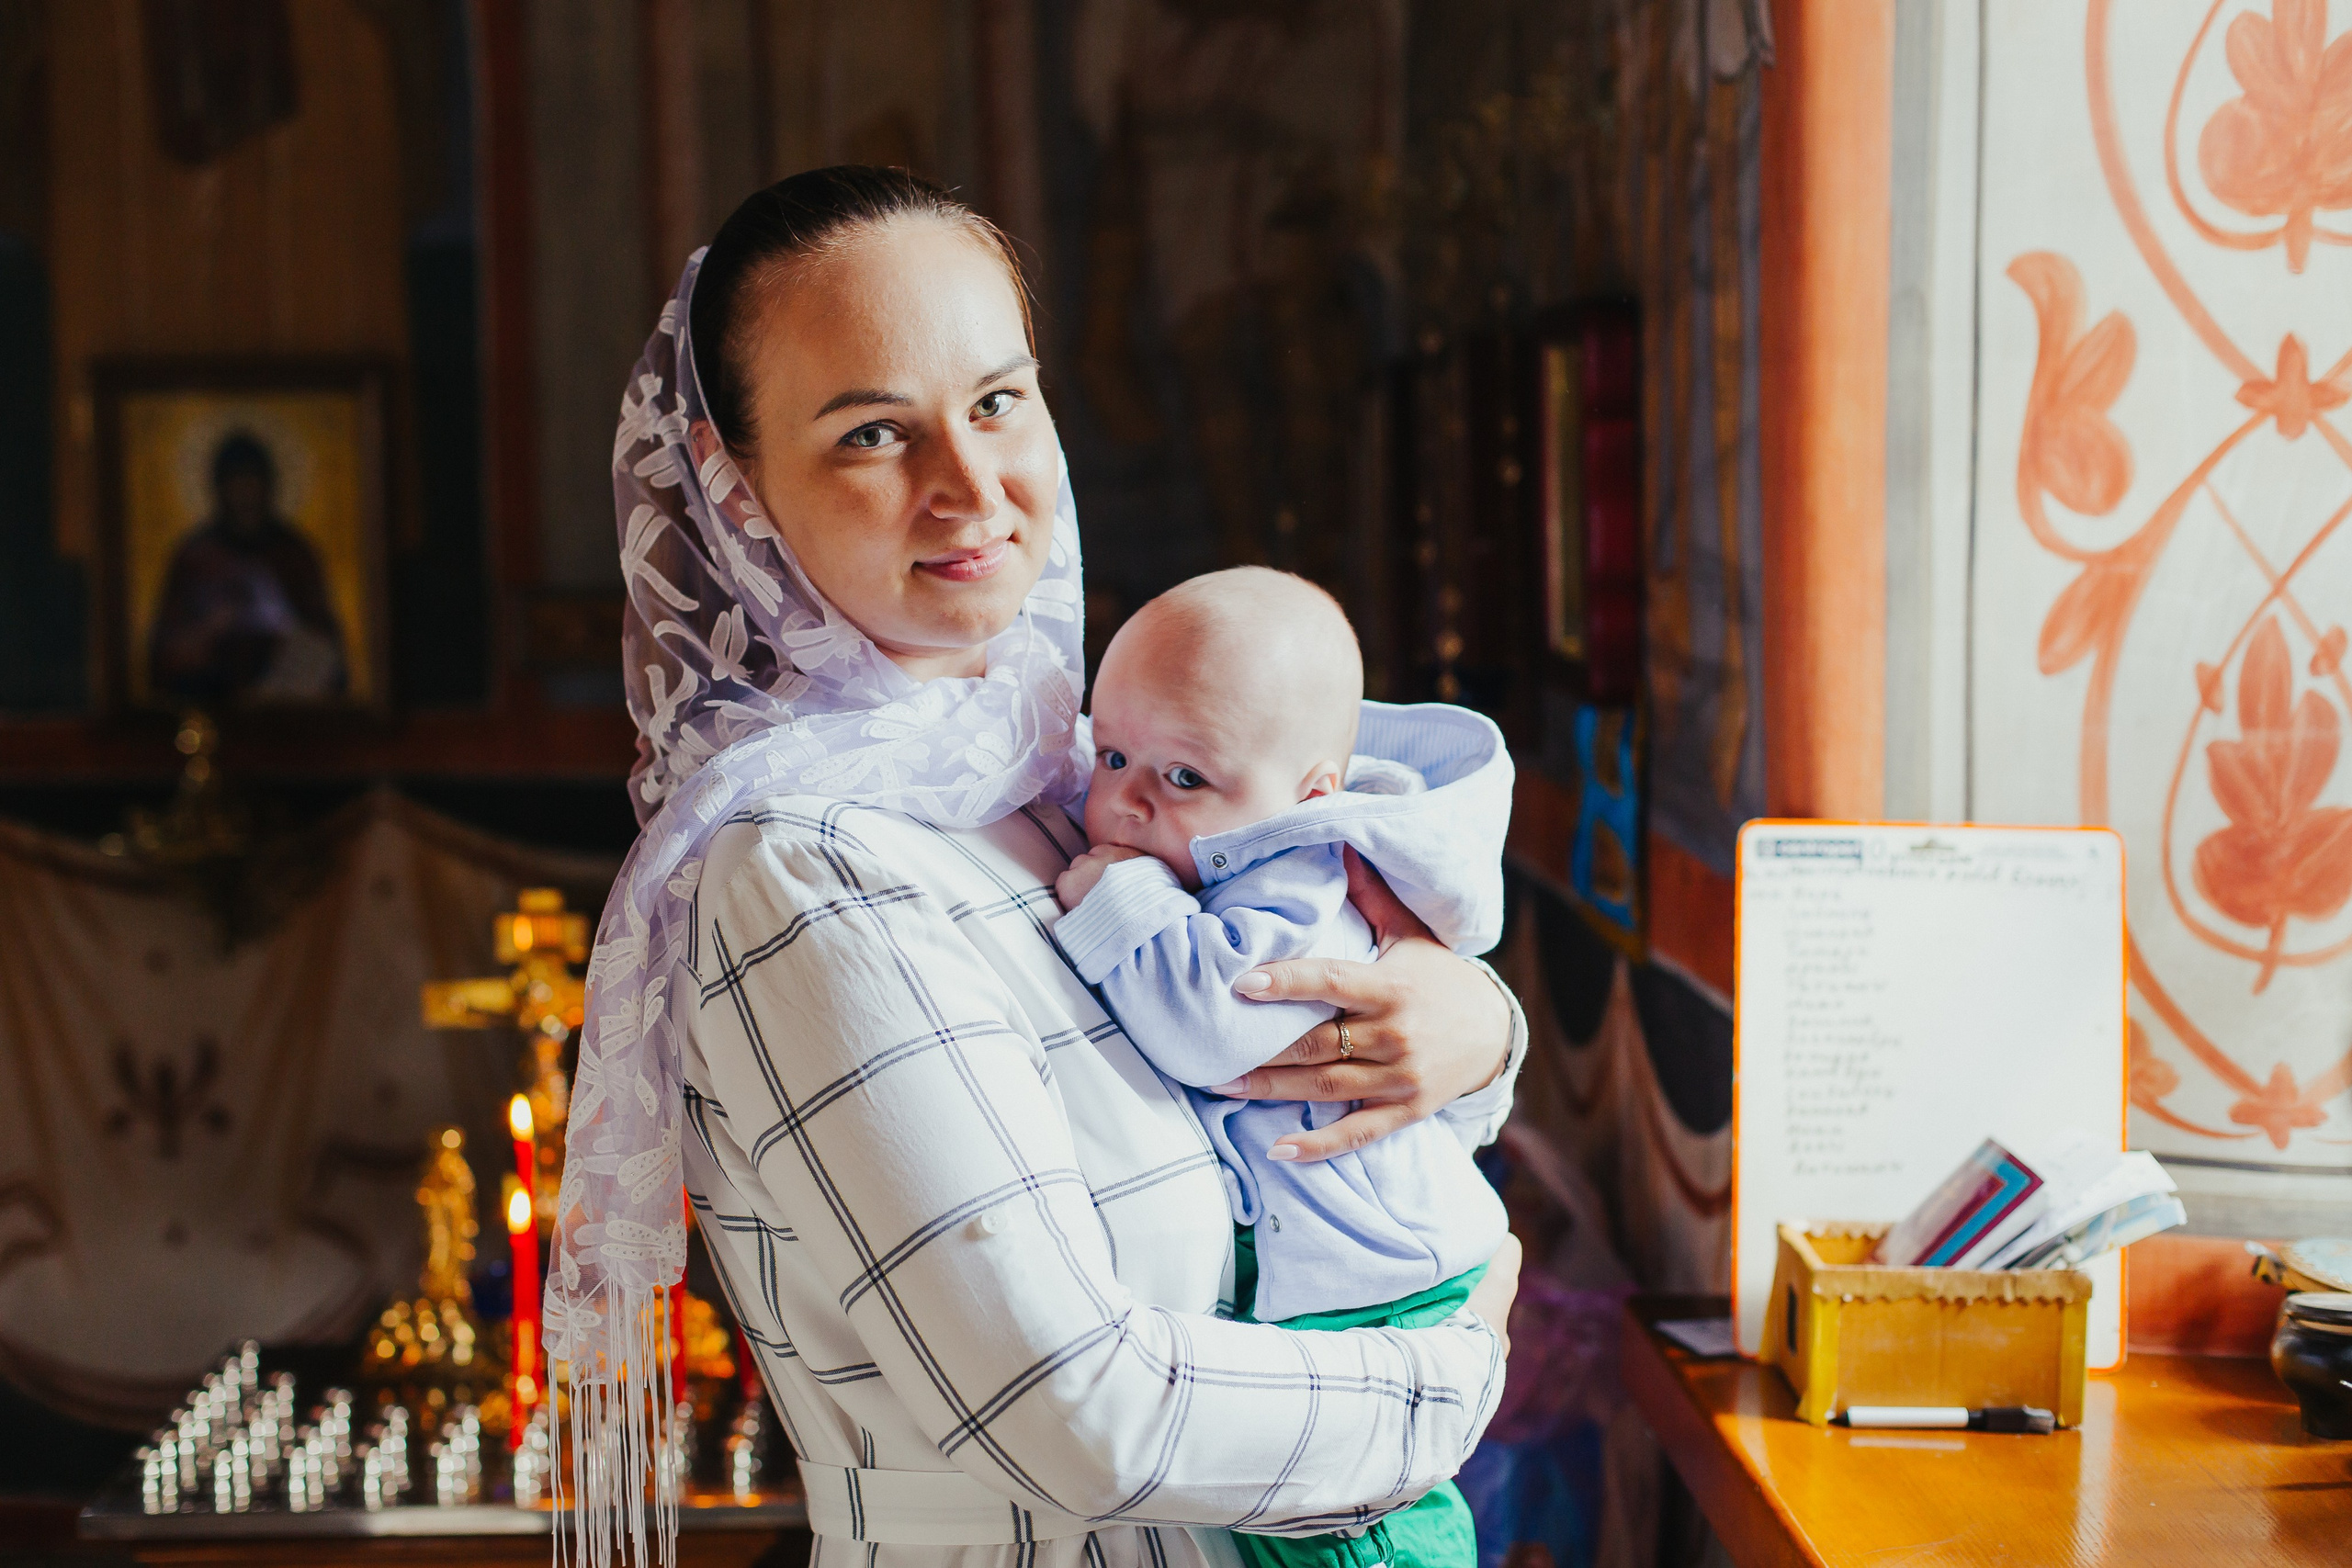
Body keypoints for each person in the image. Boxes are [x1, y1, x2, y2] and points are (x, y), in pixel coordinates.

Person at [552, 165, 1525, 1568]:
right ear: (734, 482)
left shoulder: (1076, 766)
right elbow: (1079, 1411)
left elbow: (1302, 1110)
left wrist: (1472, 1028)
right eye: (874, 432)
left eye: (999, 400)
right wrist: (1456, 1371)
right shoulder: (802, 878)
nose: (971, 487)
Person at [1052, 566, 1513, 1568]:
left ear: (1310, 793)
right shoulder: (1233, 847)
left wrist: (1120, 901)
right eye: (1113, 752)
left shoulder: (1305, 869)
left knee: (1364, 1540)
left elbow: (1218, 1026)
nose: (1125, 803)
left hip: (1376, 1293)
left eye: (1182, 778)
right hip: (1341, 1286)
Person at [146, 432, 346, 705]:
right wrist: (212, 627)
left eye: (253, 481)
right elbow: (163, 658)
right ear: (219, 488)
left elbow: (327, 649)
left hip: (286, 711)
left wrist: (285, 632)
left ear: (269, 486)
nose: (246, 494)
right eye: (236, 483)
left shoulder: (293, 555)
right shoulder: (196, 557)